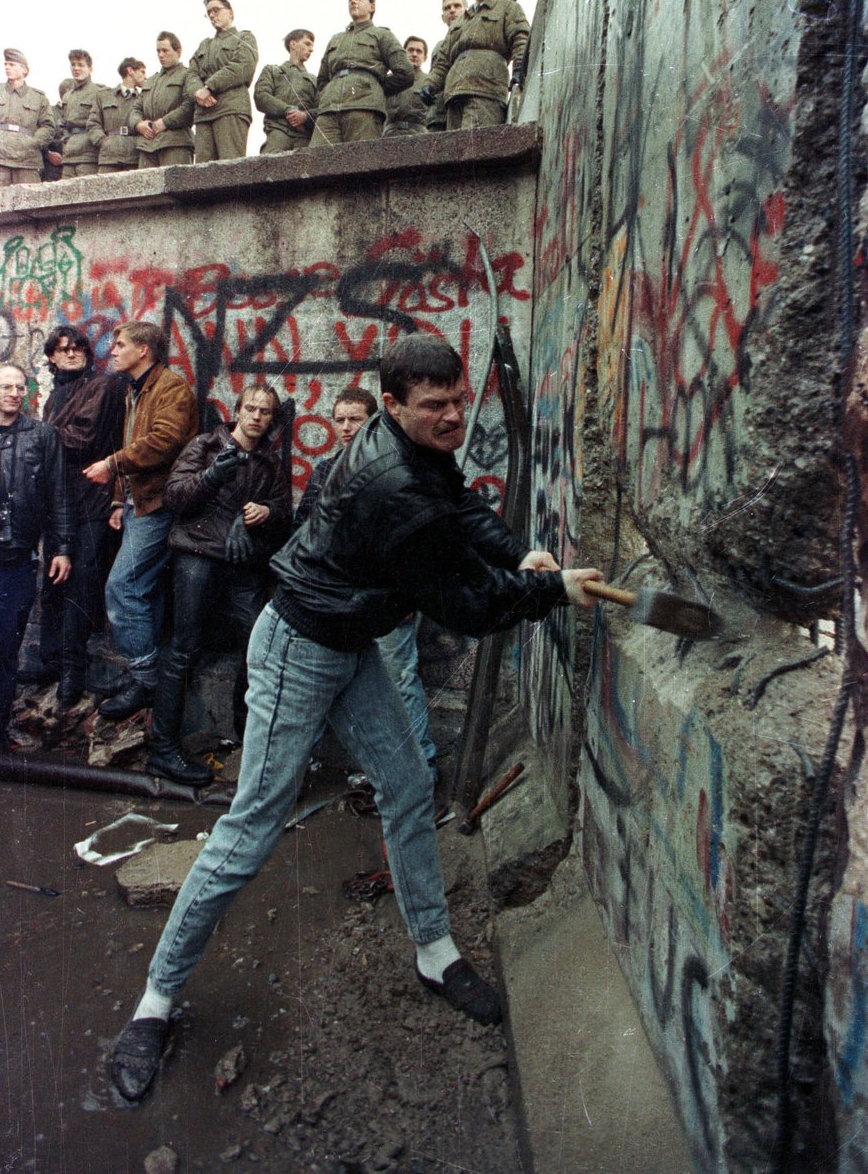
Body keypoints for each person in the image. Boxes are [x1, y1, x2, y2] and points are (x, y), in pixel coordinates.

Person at [109, 334, 600, 1101]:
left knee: (407, 787)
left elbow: (458, 507)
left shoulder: (413, 447)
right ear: (397, 405)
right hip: (300, 646)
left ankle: (434, 950)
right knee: (250, 832)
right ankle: (155, 1000)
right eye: (434, 406)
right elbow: (465, 605)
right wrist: (551, 590)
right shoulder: (387, 481)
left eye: (457, 399)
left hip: (351, 638)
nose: (451, 416)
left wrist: (519, 555)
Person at [147, 385, 291, 786]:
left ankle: (249, 745)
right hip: (197, 554)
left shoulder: (269, 463)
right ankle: (163, 750)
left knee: (257, 647)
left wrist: (265, 513)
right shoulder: (207, 445)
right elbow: (174, 498)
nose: (257, 417)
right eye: (251, 409)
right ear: (238, 411)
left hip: (243, 563)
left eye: (265, 412)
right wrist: (212, 476)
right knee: (183, 648)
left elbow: (284, 513)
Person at [293, 385, 438, 773]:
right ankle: (300, 768)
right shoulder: (326, 470)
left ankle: (420, 766)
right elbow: (302, 528)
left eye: (354, 419)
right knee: (319, 679)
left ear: (374, 421)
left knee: (399, 679)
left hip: (386, 599)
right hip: (336, 599)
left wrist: (408, 596)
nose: (345, 427)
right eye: (339, 419)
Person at [83, 322, 198, 721]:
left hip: (159, 505)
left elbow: (165, 441)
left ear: (144, 350)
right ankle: (141, 676)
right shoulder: (137, 389)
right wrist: (119, 499)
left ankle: (146, 680)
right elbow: (134, 443)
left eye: (120, 345)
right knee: (144, 591)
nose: (112, 351)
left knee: (123, 588)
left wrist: (112, 465)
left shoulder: (171, 388)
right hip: (138, 503)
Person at [22, 326, 126, 708]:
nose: (71, 354)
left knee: (81, 587)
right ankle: (51, 662)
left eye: (78, 347)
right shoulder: (55, 395)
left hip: (92, 501)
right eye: (62, 349)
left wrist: (39, 436)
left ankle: (72, 671)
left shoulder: (102, 386)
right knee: (52, 584)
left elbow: (85, 439)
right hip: (58, 501)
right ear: (51, 356)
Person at [0, 363, 74, 752]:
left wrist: (62, 548)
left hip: (14, 563)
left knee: (4, 656)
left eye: (20, 387)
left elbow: (59, 497)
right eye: (5, 386)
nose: (14, 393)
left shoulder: (42, 436)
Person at [421, 0, 529, 130]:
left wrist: (519, 69)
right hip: (454, 93)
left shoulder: (508, 8)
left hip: (485, 90)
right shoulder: (461, 20)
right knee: (456, 151)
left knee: (476, 150)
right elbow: (442, 61)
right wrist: (430, 84)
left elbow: (521, 39)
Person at [311, 0, 413, 146]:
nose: (353, 2)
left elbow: (405, 73)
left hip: (364, 108)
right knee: (316, 163)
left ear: (372, 6)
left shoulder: (382, 35)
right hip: (329, 111)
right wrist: (328, 96)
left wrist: (374, 88)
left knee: (361, 162)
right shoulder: (336, 39)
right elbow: (322, 79)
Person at [187, 0, 258, 162]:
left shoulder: (245, 37)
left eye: (216, 10)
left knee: (230, 167)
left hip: (230, 109)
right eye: (208, 13)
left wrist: (209, 87)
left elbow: (243, 67)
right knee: (202, 172)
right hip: (204, 113)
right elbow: (191, 73)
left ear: (230, 13)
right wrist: (198, 91)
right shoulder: (204, 45)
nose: (212, 15)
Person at [0, 49, 55, 189]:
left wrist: (34, 143)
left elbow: (48, 126)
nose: (7, 67)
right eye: (6, 64)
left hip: (26, 159)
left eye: (12, 64)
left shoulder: (38, 98)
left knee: (30, 203)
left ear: (24, 70)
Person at [133, 33, 198, 168]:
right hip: (147, 146)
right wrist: (138, 124)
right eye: (158, 51)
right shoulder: (151, 81)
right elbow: (136, 108)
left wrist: (165, 122)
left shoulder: (188, 75)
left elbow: (189, 105)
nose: (161, 55)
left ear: (178, 52)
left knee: (177, 187)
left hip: (175, 143)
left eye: (165, 51)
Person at [254, 29, 317, 154]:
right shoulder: (272, 70)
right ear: (293, 44)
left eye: (312, 46)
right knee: (266, 167)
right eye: (307, 43)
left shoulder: (315, 80)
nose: (311, 49)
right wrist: (288, 110)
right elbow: (261, 97)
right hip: (278, 130)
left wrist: (305, 116)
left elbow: (322, 108)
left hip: (304, 136)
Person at [87, 58, 147, 174]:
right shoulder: (103, 95)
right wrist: (103, 142)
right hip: (109, 157)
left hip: (135, 156)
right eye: (142, 72)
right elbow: (93, 123)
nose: (145, 77)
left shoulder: (144, 98)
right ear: (130, 71)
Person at [58, 51, 103, 179]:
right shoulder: (67, 96)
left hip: (88, 154)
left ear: (90, 69)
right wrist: (65, 140)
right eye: (73, 65)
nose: (76, 68)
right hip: (69, 155)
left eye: (81, 65)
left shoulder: (98, 93)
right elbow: (63, 123)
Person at [426, 0, 467, 132]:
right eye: (447, 8)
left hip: (463, 105)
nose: (452, 10)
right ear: (443, 17)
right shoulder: (439, 46)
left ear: (466, 11)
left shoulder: (469, 40)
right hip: (439, 113)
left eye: (457, 6)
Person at [383, 36, 430, 138]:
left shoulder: (430, 82)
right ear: (404, 54)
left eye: (419, 51)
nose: (414, 54)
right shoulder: (390, 80)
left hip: (419, 136)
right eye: (410, 50)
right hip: (389, 136)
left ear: (425, 58)